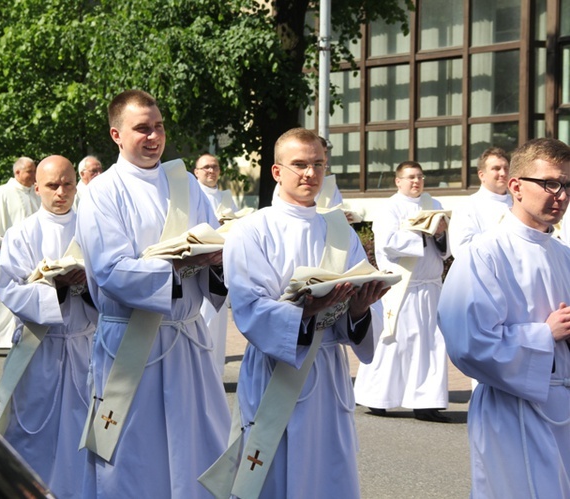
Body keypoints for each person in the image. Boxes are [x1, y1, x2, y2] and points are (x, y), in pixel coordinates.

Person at [75, 90, 229, 498]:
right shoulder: (100, 192)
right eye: (142, 128)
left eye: (158, 126)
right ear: (116, 134)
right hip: (130, 342)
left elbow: (213, 244)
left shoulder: (187, 186)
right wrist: (177, 269)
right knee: (130, 458)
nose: (153, 136)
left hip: (186, 342)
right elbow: (110, 269)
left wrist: (216, 262)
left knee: (194, 451)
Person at [219, 128, 387, 498]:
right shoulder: (252, 230)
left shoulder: (340, 231)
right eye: (299, 165)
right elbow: (249, 307)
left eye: (318, 165)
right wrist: (303, 313)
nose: (310, 174)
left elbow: (357, 298)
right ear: (277, 171)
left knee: (327, 475)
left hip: (326, 374)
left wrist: (359, 311)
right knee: (273, 475)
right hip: (276, 372)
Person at [438, 138, 570, 497]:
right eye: (550, 184)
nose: (560, 195)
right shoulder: (484, 253)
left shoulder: (563, 254)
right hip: (511, 409)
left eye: (566, 185)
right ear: (516, 186)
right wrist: (544, 335)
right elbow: (466, 343)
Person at [0, 155, 97, 498]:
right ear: (36, 187)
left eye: (68, 184)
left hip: (84, 343)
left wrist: (87, 286)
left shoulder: (92, 229)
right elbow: (9, 288)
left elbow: (111, 282)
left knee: (79, 429)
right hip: (40, 346)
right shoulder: (22, 232)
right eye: (52, 185)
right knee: (34, 428)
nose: (61, 192)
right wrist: (60, 287)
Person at [353, 160, 451, 422]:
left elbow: (444, 248)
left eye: (419, 176)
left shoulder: (434, 205)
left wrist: (440, 235)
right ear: (398, 181)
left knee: (431, 343)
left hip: (430, 286)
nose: (416, 181)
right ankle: (377, 397)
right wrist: (423, 233)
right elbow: (387, 243)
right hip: (402, 285)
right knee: (395, 341)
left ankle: (426, 402)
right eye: (410, 177)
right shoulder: (389, 207)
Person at [0, 157, 40, 352]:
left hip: (31, 254)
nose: (33, 175)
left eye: (34, 171)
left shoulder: (36, 192)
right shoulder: (2, 193)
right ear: (17, 173)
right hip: (6, 251)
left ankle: (20, 336)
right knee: (1, 297)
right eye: (29, 171)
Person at [192, 153, 237, 377]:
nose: (211, 171)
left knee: (218, 328)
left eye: (215, 166)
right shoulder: (192, 196)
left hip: (222, 265)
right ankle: (198, 374)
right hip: (200, 267)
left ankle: (215, 375)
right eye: (206, 167)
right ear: (196, 172)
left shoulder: (226, 198)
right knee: (201, 322)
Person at [449, 147, 512, 257]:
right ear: (481, 175)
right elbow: (461, 249)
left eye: (506, 168)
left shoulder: (520, 203)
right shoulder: (467, 206)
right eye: (496, 168)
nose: (503, 173)